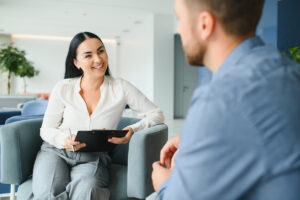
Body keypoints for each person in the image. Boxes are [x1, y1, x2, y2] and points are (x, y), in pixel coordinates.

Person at [151, 0, 300, 199]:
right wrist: (195, 140)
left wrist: (164, 183)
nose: (179, 29)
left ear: (204, 25)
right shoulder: (287, 71)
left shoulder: (221, 98)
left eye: (179, 18)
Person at [30, 32, 164, 200]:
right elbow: (46, 129)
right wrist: (63, 140)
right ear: (76, 63)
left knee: (87, 192)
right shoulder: (63, 87)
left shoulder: (121, 87)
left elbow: (156, 114)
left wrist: (133, 129)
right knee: (47, 194)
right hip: (56, 151)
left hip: (94, 156)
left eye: (101, 51)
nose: (98, 59)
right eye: (88, 55)